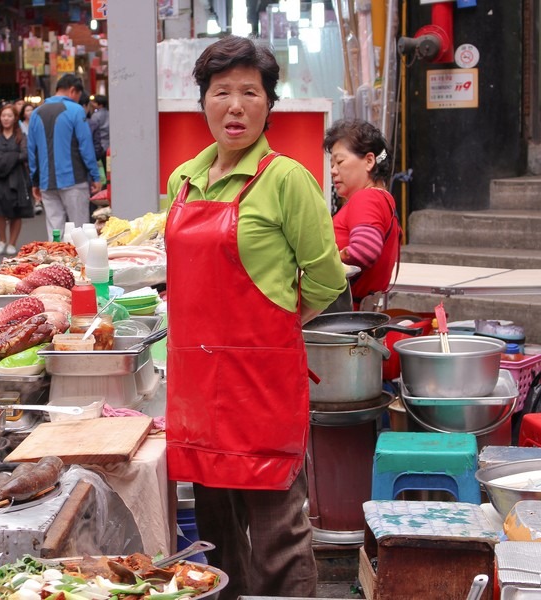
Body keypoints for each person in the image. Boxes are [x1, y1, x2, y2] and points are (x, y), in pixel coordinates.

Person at [164, 36, 346, 599]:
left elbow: (326, 278)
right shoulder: (184, 179)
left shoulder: (288, 179)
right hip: (197, 387)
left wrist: (273, 329)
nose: (235, 106)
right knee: (214, 536)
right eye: (222, 92)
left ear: (269, 104)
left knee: (277, 536)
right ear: (204, 103)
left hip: (259, 386)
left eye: (250, 92)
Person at [323, 119, 401, 310]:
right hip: (354, 316)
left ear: (369, 161)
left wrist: (316, 261)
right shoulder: (382, 199)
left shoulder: (366, 198)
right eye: (332, 164)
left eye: (339, 161)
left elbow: (364, 250)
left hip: (341, 318)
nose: (333, 170)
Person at [27, 74, 102, 239]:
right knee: (79, 229)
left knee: (55, 231)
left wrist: (35, 181)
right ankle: (79, 264)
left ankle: (56, 263)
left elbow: (31, 151)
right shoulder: (76, 110)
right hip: (74, 179)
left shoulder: (36, 113)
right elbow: (85, 147)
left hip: (47, 182)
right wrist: (95, 176)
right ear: (73, 90)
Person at [0, 103, 34, 256]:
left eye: (9, 116)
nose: (6, 119)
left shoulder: (21, 136)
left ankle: (12, 242)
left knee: (16, 211)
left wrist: (5, 158)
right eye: (4, 115)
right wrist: (9, 158)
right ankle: (1, 239)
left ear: (15, 118)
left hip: (17, 177)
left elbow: (25, 154)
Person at [88, 95, 109, 172]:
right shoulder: (109, 114)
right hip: (109, 144)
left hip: (100, 145)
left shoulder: (95, 116)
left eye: (95, 103)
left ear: (100, 104)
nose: (93, 104)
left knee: (100, 169)